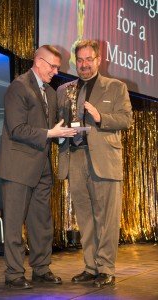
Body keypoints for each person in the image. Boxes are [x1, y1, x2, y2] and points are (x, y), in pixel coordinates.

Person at [0, 45, 77, 289]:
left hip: (41, 167)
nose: (55, 71)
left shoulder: (51, 93)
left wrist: (66, 132)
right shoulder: (19, 87)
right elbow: (17, 128)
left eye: (57, 67)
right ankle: (13, 274)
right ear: (38, 61)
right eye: (52, 66)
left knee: (41, 222)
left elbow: (51, 128)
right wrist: (50, 132)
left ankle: (41, 269)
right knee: (14, 223)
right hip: (17, 167)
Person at [57, 40, 133, 287]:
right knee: (86, 218)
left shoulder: (115, 87)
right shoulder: (65, 89)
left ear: (99, 60)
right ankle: (91, 267)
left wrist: (101, 118)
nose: (84, 65)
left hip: (104, 160)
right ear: (75, 62)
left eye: (89, 59)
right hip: (75, 157)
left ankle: (106, 268)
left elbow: (126, 120)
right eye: (80, 60)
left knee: (106, 218)